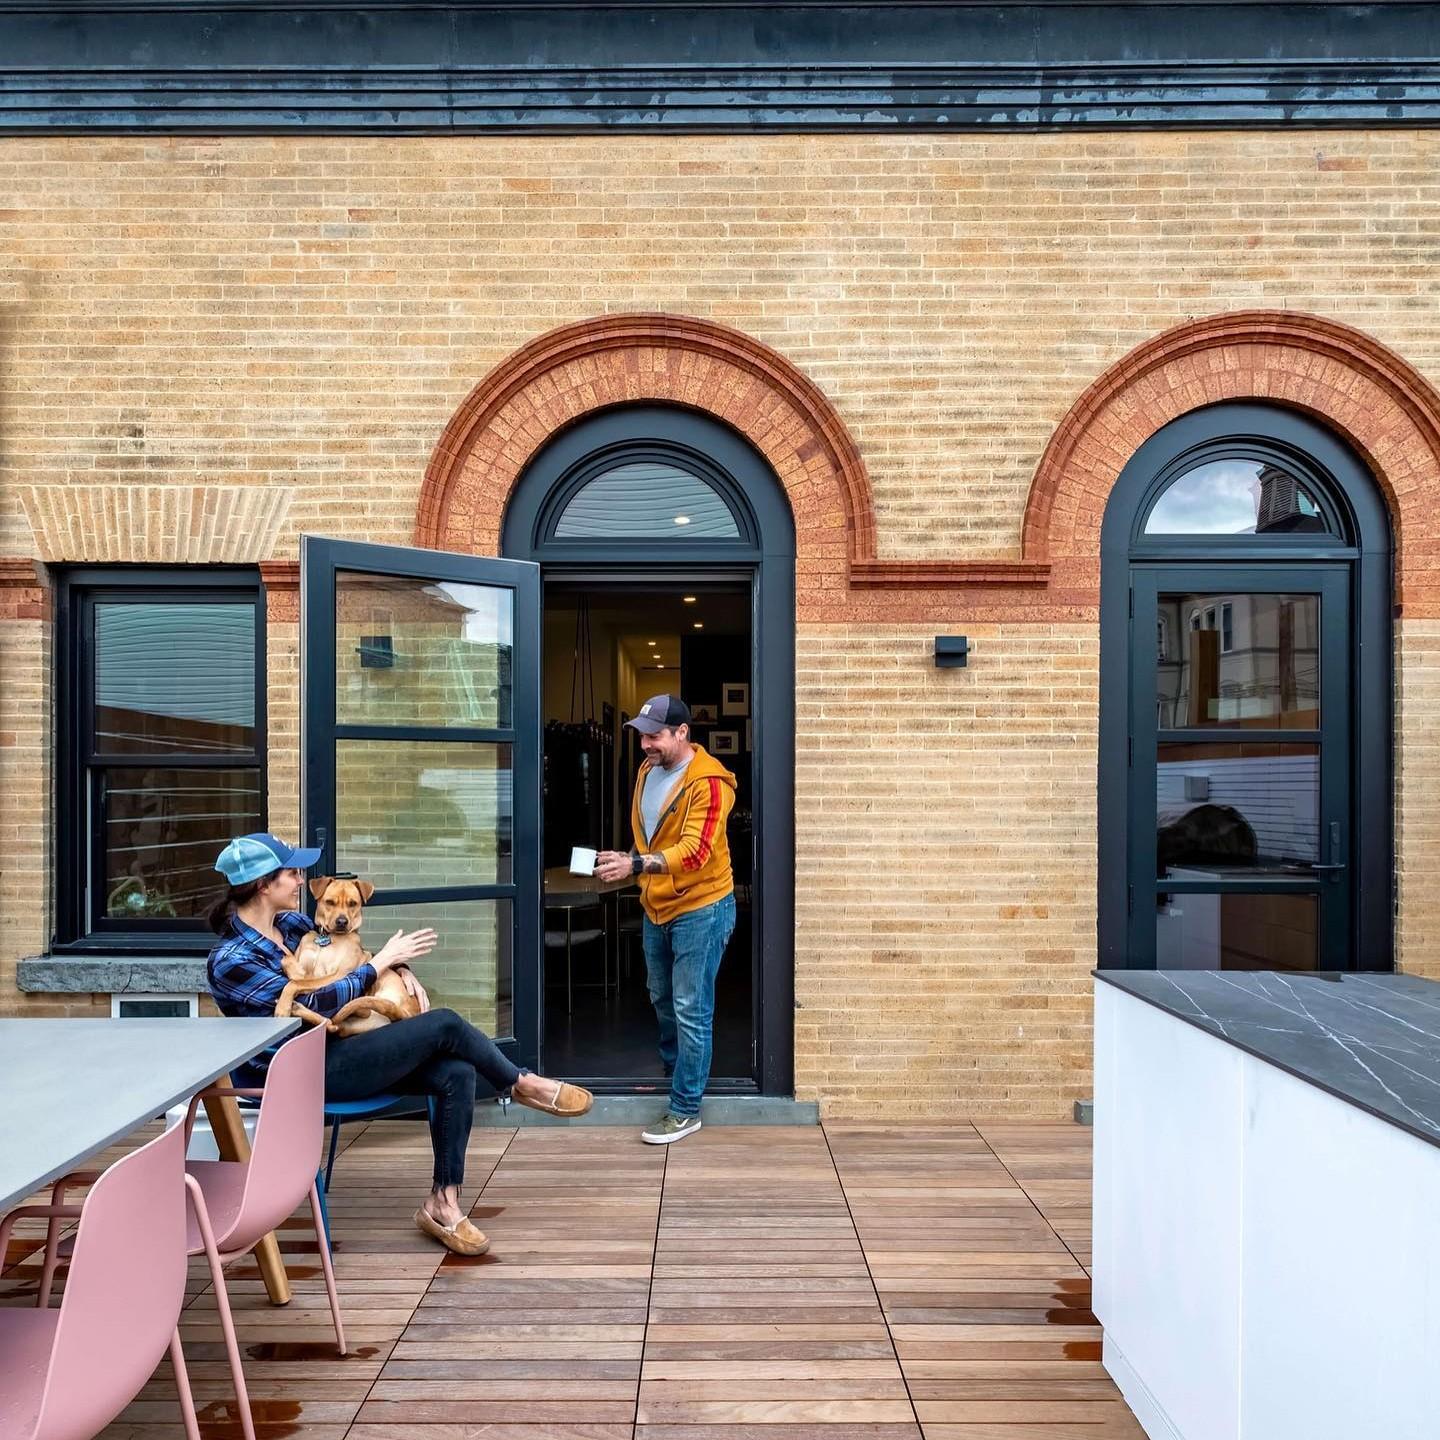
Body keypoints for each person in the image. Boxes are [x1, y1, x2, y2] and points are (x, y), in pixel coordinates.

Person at [205, 832, 592, 1256]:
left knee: (457, 1072)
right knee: (443, 1023)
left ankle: (443, 1203)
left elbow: (352, 955)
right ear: (264, 884)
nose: (301, 880)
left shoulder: (292, 925)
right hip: (302, 1071)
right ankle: (520, 1083)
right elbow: (314, 1002)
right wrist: (379, 964)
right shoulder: (232, 960)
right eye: (292, 873)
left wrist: (401, 969)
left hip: (346, 1047)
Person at [595, 695, 737, 1145]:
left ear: (682, 733)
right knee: (661, 997)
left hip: (703, 908)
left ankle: (685, 1108)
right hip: (657, 905)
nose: (645, 745)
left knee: (690, 1009)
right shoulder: (646, 771)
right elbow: (655, 837)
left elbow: (694, 853)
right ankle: (679, 1074)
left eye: (654, 736)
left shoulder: (711, 784)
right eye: (642, 735)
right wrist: (629, 857)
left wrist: (635, 867)